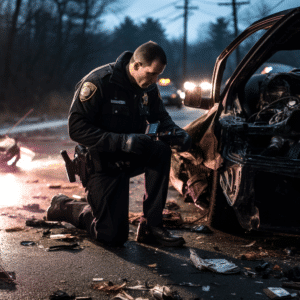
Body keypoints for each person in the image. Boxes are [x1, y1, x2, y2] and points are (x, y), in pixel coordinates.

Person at [47, 41, 192, 247]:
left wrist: (178, 134)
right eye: (151, 73)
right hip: (101, 162)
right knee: (111, 235)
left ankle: (152, 226)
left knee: (160, 150)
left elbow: (160, 117)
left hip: (131, 154)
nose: (155, 80)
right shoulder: (99, 82)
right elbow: (76, 128)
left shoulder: (148, 87)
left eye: (158, 74)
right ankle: (66, 206)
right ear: (136, 66)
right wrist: (122, 141)